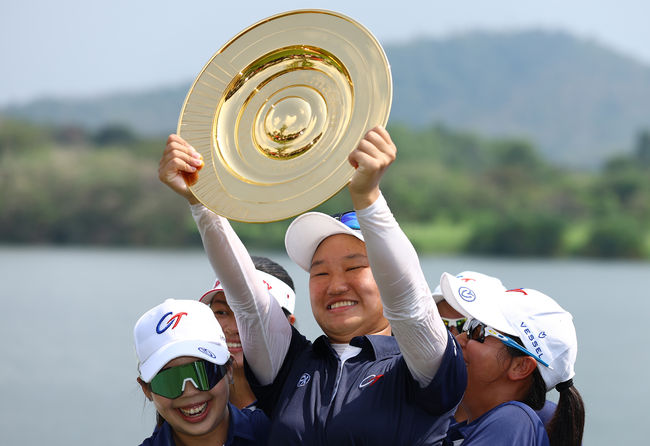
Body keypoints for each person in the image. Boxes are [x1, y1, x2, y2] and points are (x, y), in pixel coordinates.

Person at [159, 128, 467, 445]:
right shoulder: (290, 365)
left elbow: (410, 306)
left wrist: (368, 198)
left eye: (354, 267)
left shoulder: (424, 364)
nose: (335, 285)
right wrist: (200, 201)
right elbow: (248, 302)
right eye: (319, 273)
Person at [439, 273, 585, 446]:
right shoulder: (464, 429)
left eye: (477, 331)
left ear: (520, 366)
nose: (458, 339)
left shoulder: (512, 422)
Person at [134, 298, 270, 445]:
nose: (190, 391)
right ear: (147, 389)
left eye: (204, 372)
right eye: (170, 380)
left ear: (229, 369)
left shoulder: (279, 434)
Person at [199, 255, 297, 409]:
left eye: (253, 315)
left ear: (288, 325)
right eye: (221, 312)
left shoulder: (304, 397)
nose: (234, 328)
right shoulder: (192, 396)